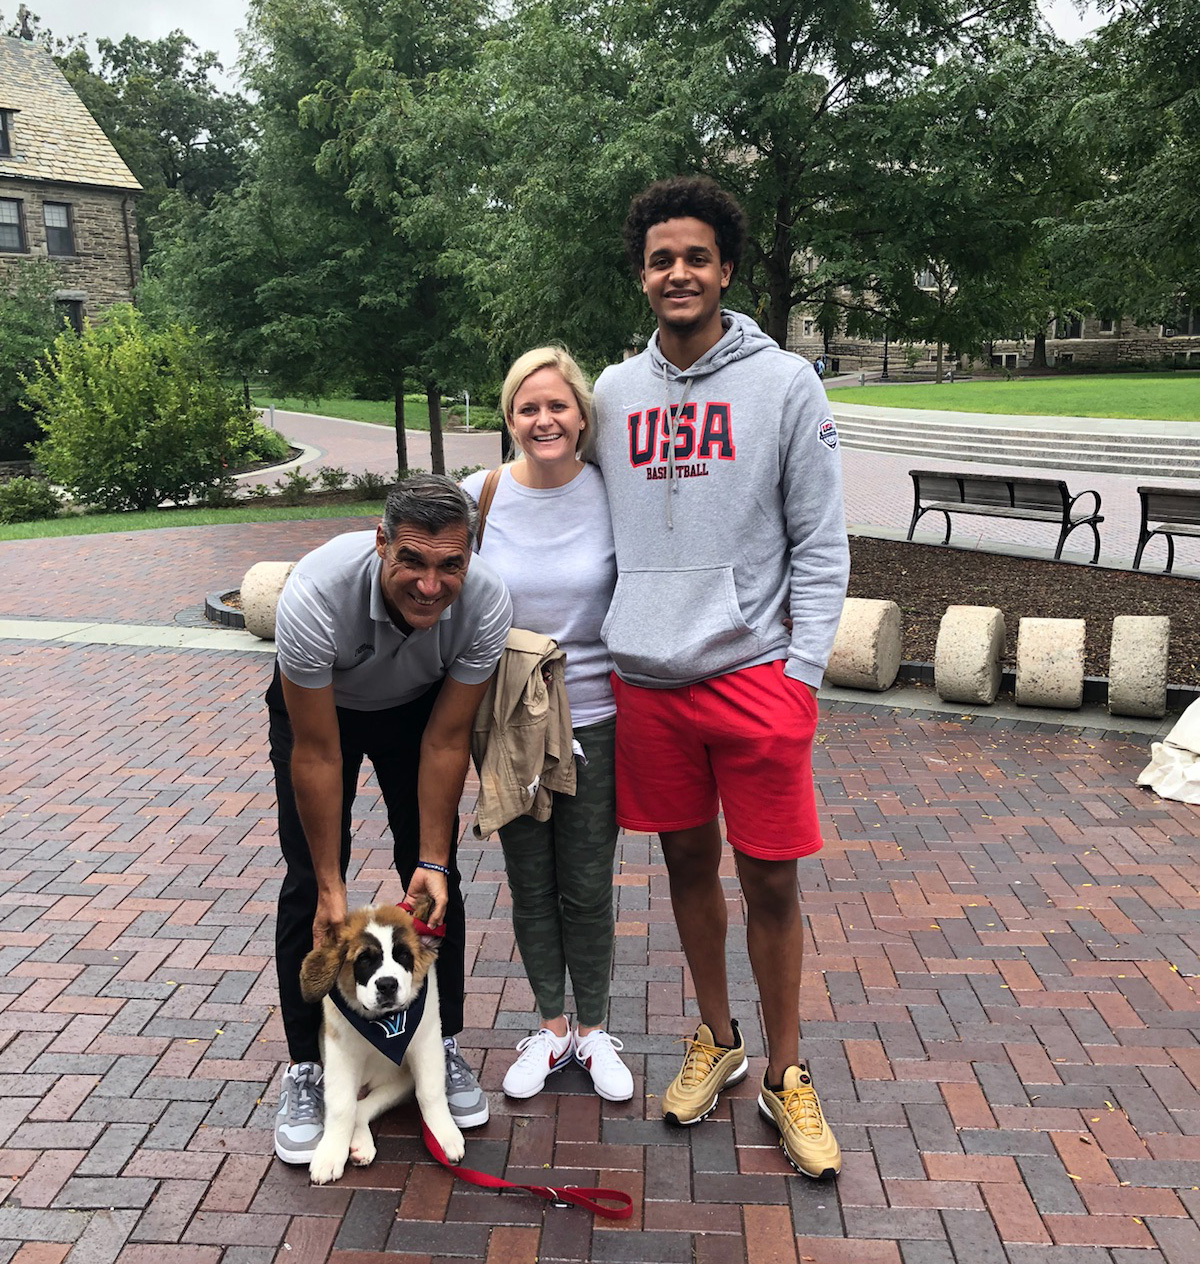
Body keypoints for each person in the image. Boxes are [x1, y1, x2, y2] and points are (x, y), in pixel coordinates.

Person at [592, 176, 849, 1178]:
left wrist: (803, 675)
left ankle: (787, 1073)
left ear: (726, 269)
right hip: (650, 680)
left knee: (771, 880)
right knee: (687, 869)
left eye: (696, 256)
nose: (679, 272)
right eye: (662, 258)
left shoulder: (786, 383)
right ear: (643, 274)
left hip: (753, 678)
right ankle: (717, 1036)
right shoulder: (614, 393)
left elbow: (820, 545)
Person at [268, 474, 513, 1164]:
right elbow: (317, 753)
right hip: (322, 710)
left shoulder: (487, 601)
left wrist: (431, 858)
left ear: (470, 555)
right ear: (381, 544)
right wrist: (330, 885)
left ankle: (445, 1043)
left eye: (450, 565)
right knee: (308, 890)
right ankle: (308, 1068)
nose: (432, 585)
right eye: (413, 561)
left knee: (436, 878)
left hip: (417, 710)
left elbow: (445, 739)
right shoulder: (315, 596)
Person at [461, 347, 632, 1103]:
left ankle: (594, 1031)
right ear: (509, 418)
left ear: (582, 414)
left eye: (557, 406)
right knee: (530, 882)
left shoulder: (613, 494)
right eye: (528, 408)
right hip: (509, 724)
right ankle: (552, 1026)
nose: (544, 420)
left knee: (588, 884)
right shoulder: (482, 497)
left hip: (596, 715)